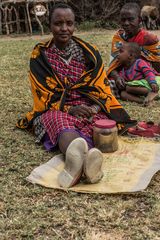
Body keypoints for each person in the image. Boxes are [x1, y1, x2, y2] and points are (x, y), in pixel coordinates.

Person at [17, 2, 135, 188]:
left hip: (88, 105)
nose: (64, 28)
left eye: (69, 23)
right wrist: (70, 109)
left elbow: (100, 86)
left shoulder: (88, 52)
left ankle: (79, 164)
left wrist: (94, 108)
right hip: (55, 107)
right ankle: (84, 159)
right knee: (58, 121)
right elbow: (42, 93)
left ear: (74, 25)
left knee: (98, 123)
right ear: (50, 25)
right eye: (58, 23)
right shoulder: (40, 54)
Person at [107, 2, 160, 105]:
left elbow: (157, 64)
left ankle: (151, 93)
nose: (126, 23)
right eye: (123, 20)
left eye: (131, 19)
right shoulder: (118, 38)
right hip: (127, 80)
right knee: (105, 86)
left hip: (148, 79)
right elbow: (114, 65)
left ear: (139, 20)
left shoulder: (149, 39)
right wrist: (118, 78)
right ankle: (143, 100)